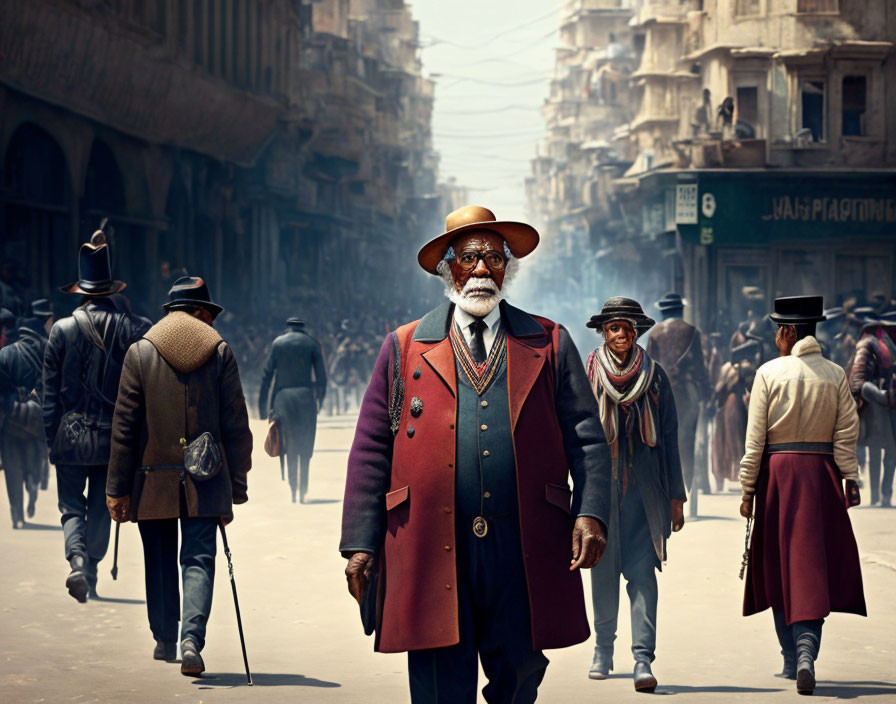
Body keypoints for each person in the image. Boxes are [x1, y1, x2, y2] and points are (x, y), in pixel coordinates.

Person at [340, 205, 612, 703]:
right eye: (469, 259)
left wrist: (591, 512)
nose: (483, 270)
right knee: (439, 679)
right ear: (449, 269)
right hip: (430, 543)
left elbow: (587, 437)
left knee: (520, 675)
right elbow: (371, 449)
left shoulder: (548, 341)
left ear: (508, 269)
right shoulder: (403, 347)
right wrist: (360, 543)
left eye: (494, 258)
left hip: (522, 545)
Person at [106, 276, 252, 675]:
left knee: (158, 559)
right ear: (202, 313)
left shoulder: (139, 353)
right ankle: (192, 639)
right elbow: (236, 424)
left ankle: (164, 638)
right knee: (199, 559)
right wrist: (236, 486)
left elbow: (124, 428)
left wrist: (117, 489)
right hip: (207, 479)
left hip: (151, 481)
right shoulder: (220, 352)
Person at [739, 295, 865, 696]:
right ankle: (807, 650)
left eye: (780, 328)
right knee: (812, 567)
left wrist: (746, 488)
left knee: (779, 566)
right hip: (820, 475)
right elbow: (847, 432)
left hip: (778, 477)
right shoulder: (835, 374)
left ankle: (792, 656)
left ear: (789, 332)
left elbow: (755, 440)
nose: (777, 335)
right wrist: (850, 477)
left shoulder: (768, 373)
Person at [584, 297, 686, 692]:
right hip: (600, 492)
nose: (621, 335)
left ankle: (643, 658)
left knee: (643, 575)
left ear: (637, 332)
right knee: (602, 573)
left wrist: (676, 497)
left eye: (627, 328)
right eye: (614, 328)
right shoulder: (587, 374)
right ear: (603, 332)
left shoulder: (656, 377)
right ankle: (603, 651)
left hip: (645, 495)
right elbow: (573, 437)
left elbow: (671, 438)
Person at [42, 233, 150, 602]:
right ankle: (91, 566)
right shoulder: (134, 328)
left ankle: (76, 560)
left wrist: (50, 441)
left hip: (69, 437)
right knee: (104, 506)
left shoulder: (60, 330)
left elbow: (49, 395)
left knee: (70, 506)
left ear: (81, 292)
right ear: (109, 289)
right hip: (114, 438)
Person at [646, 293, 709, 515]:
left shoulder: (654, 333)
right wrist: (706, 394)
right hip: (687, 394)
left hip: (660, 394)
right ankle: (688, 494)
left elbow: (648, 367)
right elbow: (700, 368)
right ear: (680, 311)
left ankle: (664, 494)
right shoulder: (691, 331)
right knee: (687, 442)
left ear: (662, 311)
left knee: (662, 442)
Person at [258, 317, 327, 503]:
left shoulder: (278, 343)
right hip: (306, 397)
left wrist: (262, 406)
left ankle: (293, 488)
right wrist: (320, 399)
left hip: (283, 398)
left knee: (287, 443)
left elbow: (267, 376)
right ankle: (303, 487)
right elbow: (322, 377)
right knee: (305, 443)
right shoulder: (312, 344)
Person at [0, 301, 54, 526]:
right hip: (37, 417)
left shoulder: (5, 353)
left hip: (12, 417)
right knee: (34, 458)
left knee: (12, 467)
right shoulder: (48, 348)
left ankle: (16, 514)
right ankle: (32, 484)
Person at [848, 315, 896, 506]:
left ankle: (885, 495)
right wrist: (882, 397)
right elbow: (858, 380)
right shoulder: (868, 344)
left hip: (891, 404)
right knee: (877, 450)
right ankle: (877, 496)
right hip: (876, 405)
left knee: (892, 451)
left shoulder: (890, 345)